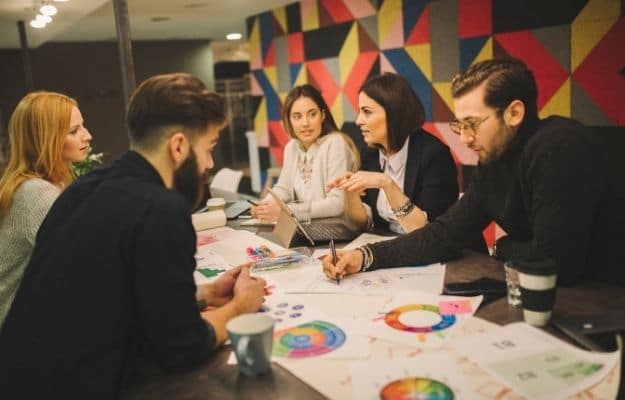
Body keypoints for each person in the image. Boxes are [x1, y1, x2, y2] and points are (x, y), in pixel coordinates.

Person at [0, 73, 267, 398]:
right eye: (208, 148)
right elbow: (183, 347)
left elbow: (113, 299)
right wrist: (241, 306)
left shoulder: (85, 188)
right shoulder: (161, 207)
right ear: (179, 146)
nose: (209, 163)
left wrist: (207, 293)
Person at [322, 58, 625, 286]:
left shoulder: (558, 146)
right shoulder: (492, 161)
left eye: (473, 124)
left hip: (602, 298)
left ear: (514, 113)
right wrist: (364, 257)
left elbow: (555, 263)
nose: (464, 138)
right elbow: (442, 235)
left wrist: (502, 246)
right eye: (460, 125)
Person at [0, 91, 92, 328]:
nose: (87, 136)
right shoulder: (35, 192)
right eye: (74, 131)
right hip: (17, 331)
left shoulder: (50, 183)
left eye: (83, 127)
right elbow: (81, 264)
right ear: (45, 139)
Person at [326, 73, 460, 234]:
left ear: (394, 113)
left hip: (440, 251)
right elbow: (362, 224)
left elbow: (424, 230)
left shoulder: (434, 155)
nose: (358, 121)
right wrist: (351, 192)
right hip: (393, 246)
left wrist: (386, 183)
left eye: (367, 112)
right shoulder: (370, 153)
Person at [251, 84, 359, 222]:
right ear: (289, 120)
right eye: (297, 117)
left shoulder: (335, 143)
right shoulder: (292, 147)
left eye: (312, 114)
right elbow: (284, 188)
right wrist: (264, 206)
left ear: (323, 115)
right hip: (308, 225)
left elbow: (337, 204)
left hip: (338, 226)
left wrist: (287, 211)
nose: (305, 123)